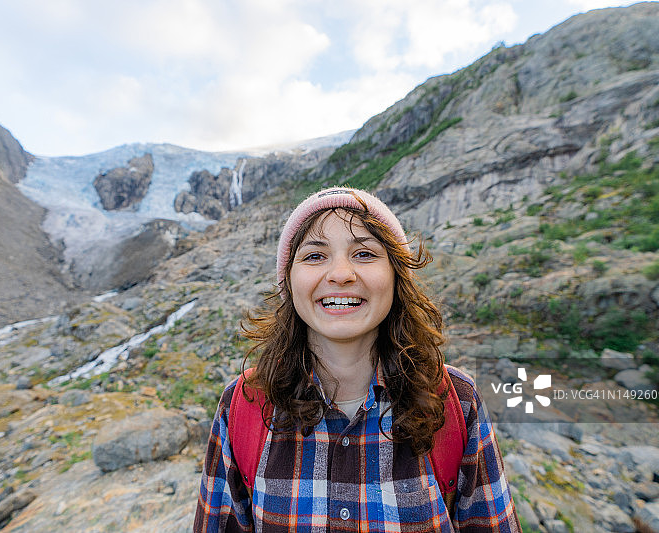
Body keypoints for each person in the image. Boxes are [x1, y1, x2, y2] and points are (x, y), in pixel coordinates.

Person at [194, 187, 520, 532]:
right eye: (315, 256)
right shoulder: (243, 403)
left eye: (364, 254)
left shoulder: (456, 400)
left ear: (397, 277)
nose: (340, 274)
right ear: (288, 281)